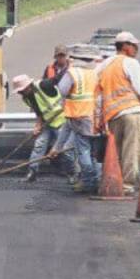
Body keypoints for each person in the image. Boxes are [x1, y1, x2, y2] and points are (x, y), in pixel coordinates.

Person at [95, 31, 140, 195]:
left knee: (115, 151)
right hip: (132, 111)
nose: (136, 48)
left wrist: (99, 118)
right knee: (132, 150)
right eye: (133, 45)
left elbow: (98, 94)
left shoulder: (103, 65)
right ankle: (127, 185)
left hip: (112, 115)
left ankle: (113, 182)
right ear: (125, 46)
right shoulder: (130, 63)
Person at [12, 74, 76, 183]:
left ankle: (73, 174)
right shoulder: (27, 98)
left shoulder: (44, 85)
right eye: (19, 92)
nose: (20, 93)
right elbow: (39, 112)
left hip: (62, 121)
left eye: (21, 90)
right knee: (39, 145)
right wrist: (38, 125)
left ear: (29, 86)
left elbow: (60, 80)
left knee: (65, 150)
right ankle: (32, 173)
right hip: (48, 123)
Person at [53, 51, 101, 193]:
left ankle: (89, 181)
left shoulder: (73, 73)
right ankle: (98, 179)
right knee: (95, 152)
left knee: (83, 151)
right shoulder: (95, 72)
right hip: (96, 115)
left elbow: (62, 90)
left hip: (80, 115)